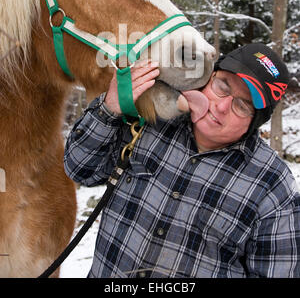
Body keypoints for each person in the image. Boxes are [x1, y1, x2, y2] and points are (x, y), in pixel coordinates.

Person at [64, 43, 300, 278]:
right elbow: (79, 169)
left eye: (242, 105)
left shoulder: (273, 186)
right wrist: (110, 108)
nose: (221, 106)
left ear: (255, 122)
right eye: (222, 86)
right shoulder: (151, 120)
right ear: (209, 77)